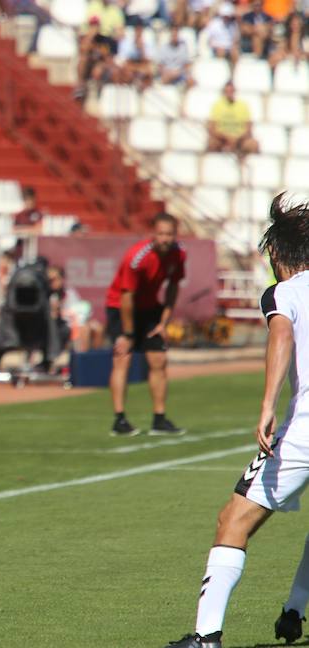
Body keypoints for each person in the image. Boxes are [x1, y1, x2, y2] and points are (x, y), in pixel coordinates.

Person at [162, 195, 309, 648]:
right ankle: (294, 610)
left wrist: (267, 403)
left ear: (278, 255)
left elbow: (281, 335)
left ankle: (206, 636)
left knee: (233, 520)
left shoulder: (284, 293)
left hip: (305, 433)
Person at [106, 212, 185, 437]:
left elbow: (173, 287)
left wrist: (163, 321)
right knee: (123, 358)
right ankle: (119, 419)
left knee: (159, 359)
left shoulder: (178, 254)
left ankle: (159, 418)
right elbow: (126, 297)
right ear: (153, 234)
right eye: (160, 234)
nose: (165, 239)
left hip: (150, 308)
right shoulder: (137, 257)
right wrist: (128, 333)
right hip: (121, 307)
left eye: (169, 234)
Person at [207, 82, 260, 156]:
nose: (229, 93)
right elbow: (212, 128)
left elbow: (248, 128)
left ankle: (244, 163)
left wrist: (236, 139)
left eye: (231, 91)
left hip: (240, 140)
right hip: (222, 140)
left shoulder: (243, 106)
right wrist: (227, 138)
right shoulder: (217, 105)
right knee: (212, 143)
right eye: (227, 91)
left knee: (253, 144)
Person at [116, 20, 155, 90]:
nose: (138, 32)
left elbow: (149, 60)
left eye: (140, 30)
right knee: (124, 71)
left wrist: (142, 49)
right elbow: (124, 59)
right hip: (130, 65)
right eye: (137, 30)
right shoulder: (127, 41)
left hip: (142, 65)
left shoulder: (147, 42)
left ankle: (145, 92)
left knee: (149, 71)